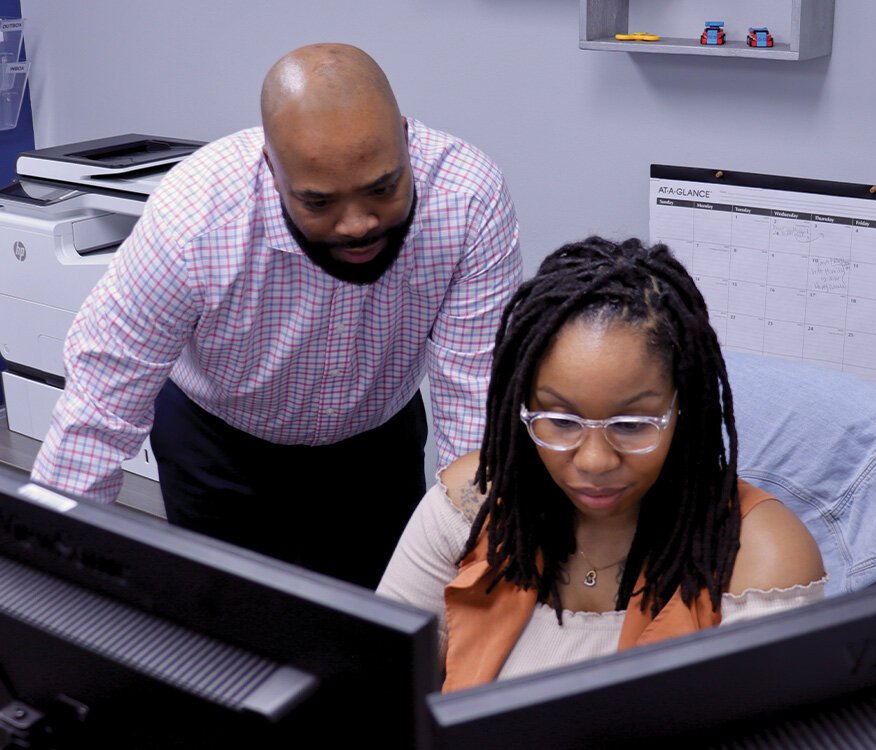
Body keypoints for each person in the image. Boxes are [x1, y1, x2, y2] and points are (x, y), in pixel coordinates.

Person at [31, 43, 521, 588]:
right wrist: (48, 581)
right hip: (216, 445)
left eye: (382, 189)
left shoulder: (467, 202)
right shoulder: (193, 220)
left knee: (380, 640)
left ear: (407, 140)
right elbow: (96, 415)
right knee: (230, 634)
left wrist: (481, 583)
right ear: (272, 169)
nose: (357, 224)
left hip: (374, 445)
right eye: (319, 202)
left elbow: (474, 406)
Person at [377, 236, 825, 690]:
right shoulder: (470, 507)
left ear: (682, 411)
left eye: (631, 425)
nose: (593, 461)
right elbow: (372, 684)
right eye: (560, 421)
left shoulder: (761, 556)